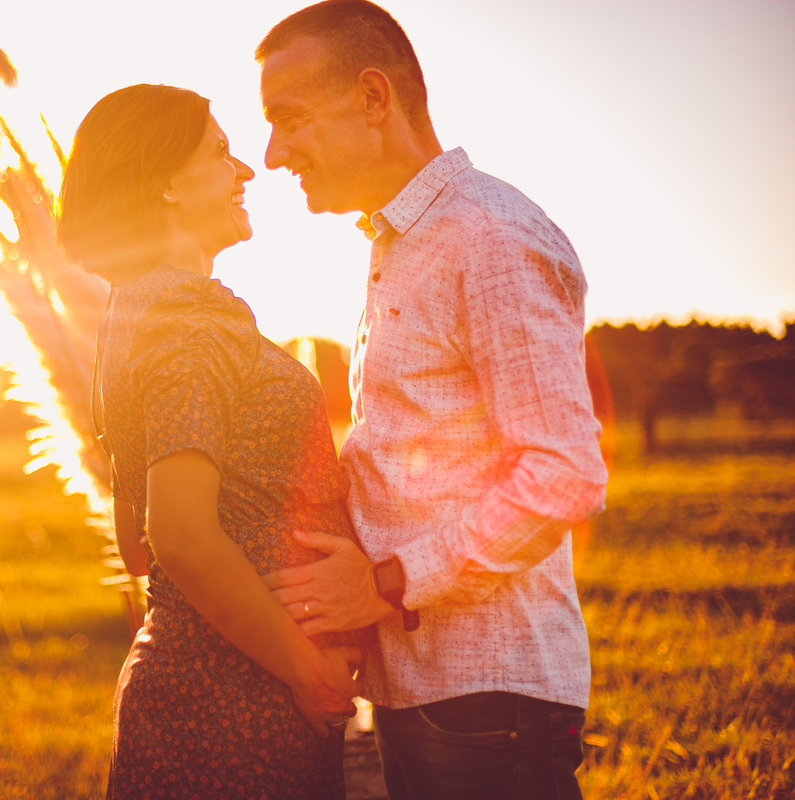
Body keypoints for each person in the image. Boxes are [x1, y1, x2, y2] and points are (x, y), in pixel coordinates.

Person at [253, 2, 610, 799]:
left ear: (374, 98)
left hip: (486, 702)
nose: (274, 153)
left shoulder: (487, 235)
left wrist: (383, 582)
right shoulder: (402, 245)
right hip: (424, 690)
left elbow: (564, 474)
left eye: (291, 119)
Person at [56, 83, 370, 799]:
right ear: (166, 181)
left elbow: (136, 546)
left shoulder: (135, 311)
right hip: (232, 714)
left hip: (205, 691)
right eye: (222, 153)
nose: (246, 172)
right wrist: (307, 669)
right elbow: (178, 537)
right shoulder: (188, 320)